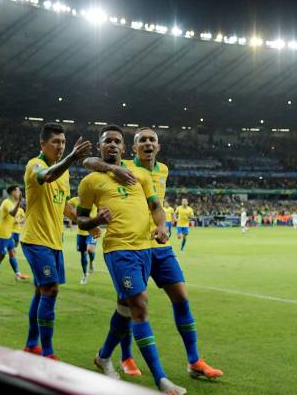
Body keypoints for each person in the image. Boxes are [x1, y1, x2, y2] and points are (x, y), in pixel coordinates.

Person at [84, 126, 223, 381]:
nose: (148, 144)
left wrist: (162, 227)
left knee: (181, 297)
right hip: (130, 245)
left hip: (159, 246)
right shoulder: (124, 165)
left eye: (152, 140)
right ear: (133, 147)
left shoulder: (163, 170)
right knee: (128, 304)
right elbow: (90, 160)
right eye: (142, 140)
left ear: (158, 146)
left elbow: (156, 205)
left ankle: (194, 361)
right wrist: (114, 168)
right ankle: (126, 357)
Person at [77, 125, 186, 394]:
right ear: (101, 147)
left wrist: (162, 227)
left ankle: (103, 356)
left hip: (145, 250)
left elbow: (156, 208)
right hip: (118, 250)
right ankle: (161, 379)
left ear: (124, 148)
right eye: (107, 142)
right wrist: (95, 220)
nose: (112, 145)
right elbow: (80, 219)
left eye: (117, 141)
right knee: (139, 304)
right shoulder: (90, 181)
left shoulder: (141, 175)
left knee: (124, 308)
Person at [20, 123, 92, 359]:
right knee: (51, 290)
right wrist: (72, 156)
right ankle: (47, 352)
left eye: (63, 142)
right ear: (43, 144)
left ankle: (31, 344)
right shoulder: (35, 165)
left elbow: (65, 208)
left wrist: (88, 222)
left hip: (54, 241)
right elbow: (47, 176)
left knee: (42, 292)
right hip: (35, 238)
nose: (60, 146)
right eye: (56, 142)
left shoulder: (65, 172)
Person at [0, 185, 28, 285]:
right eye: (18, 191)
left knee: (12, 253)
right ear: (12, 193)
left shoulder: (12, 203)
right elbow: (12, 213)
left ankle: (17, 274)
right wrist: (19, 202)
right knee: (1, 256)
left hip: (8, 234)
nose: (19, 193)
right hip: (1, 234)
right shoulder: (7, 203)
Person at [67, 196, 101, 284]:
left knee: (90, 250)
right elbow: (66, 205)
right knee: (83, 254)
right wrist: (71, 221)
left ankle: (92, 261)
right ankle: (85, 275)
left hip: (92, 231)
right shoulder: (75, 200)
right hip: (81, 232)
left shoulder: (94, 199)